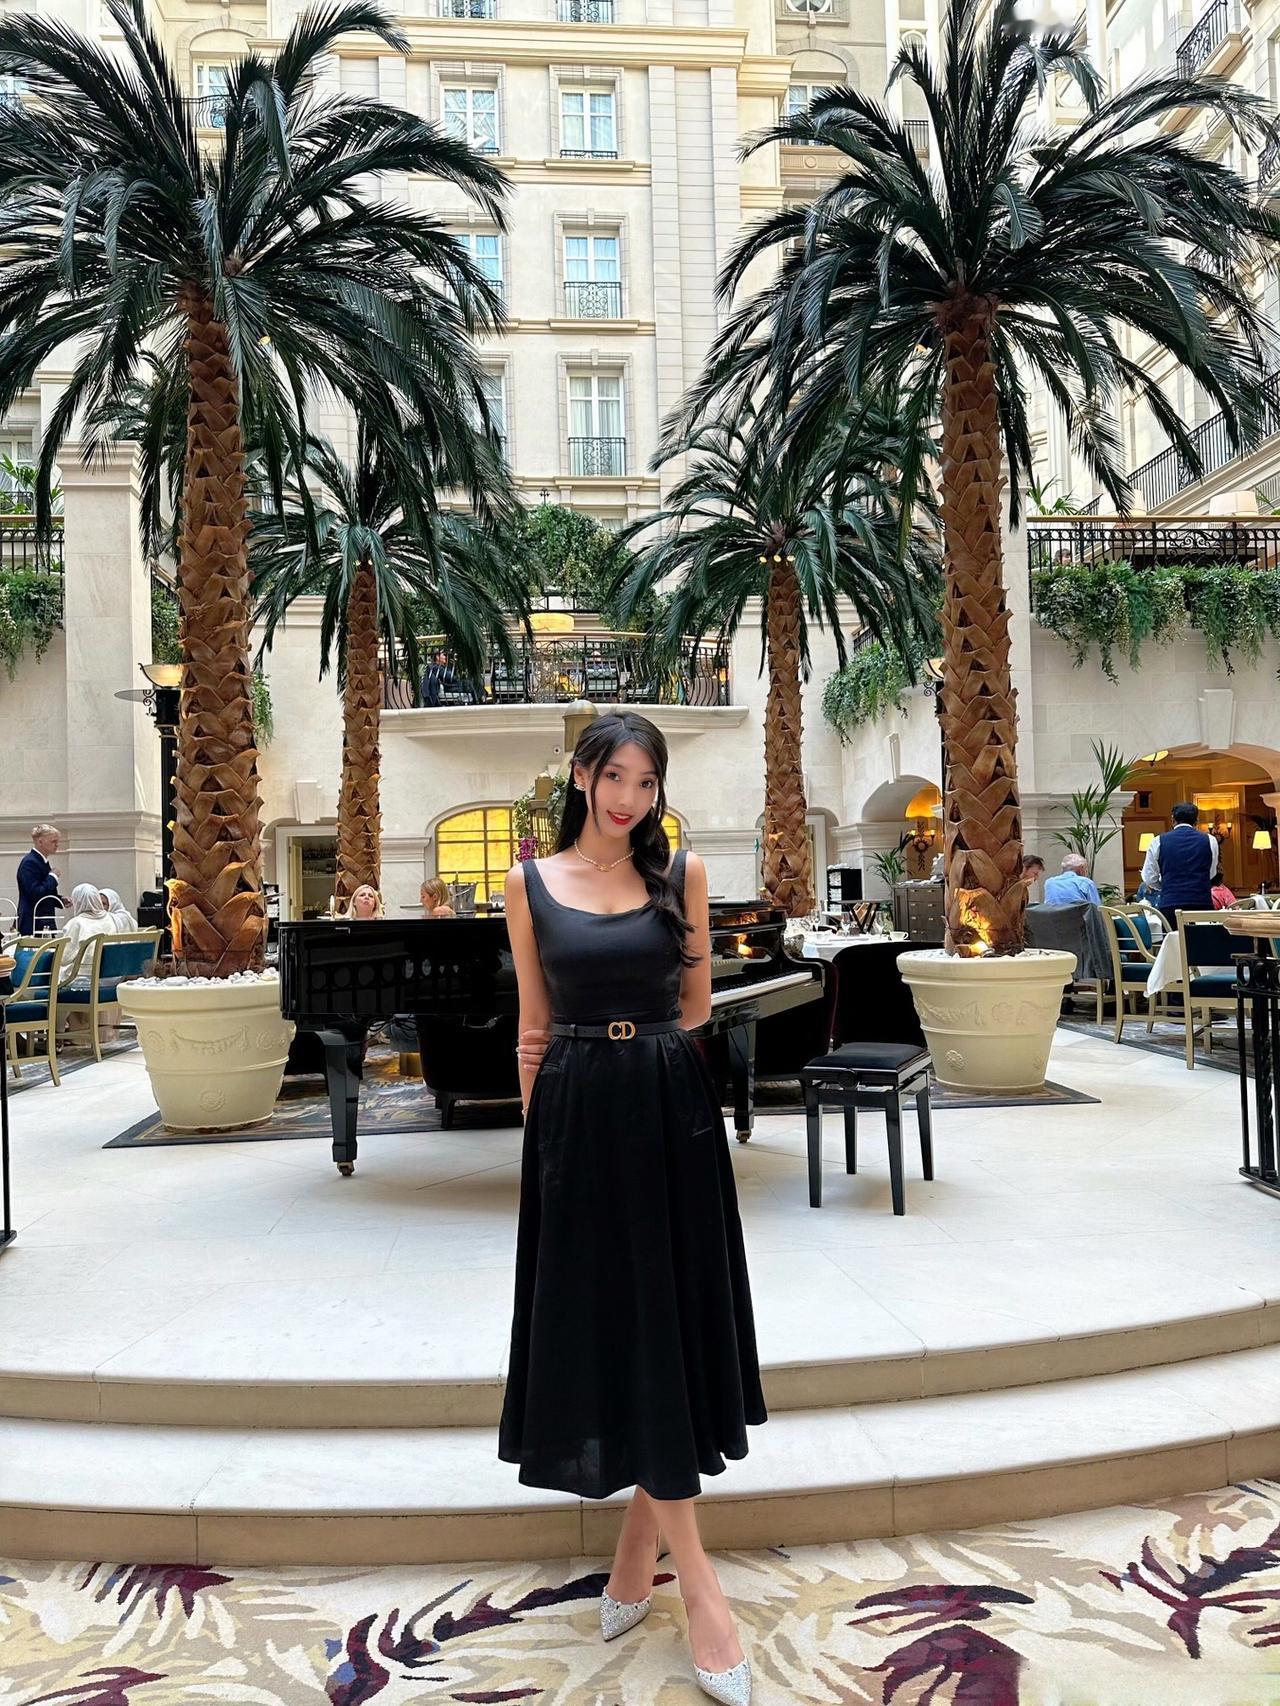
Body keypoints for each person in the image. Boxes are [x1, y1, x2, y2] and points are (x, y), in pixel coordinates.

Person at [501, 710, 764, 1705]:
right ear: (580, 776)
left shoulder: (680, 875)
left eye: (645, 782)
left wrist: (638, 1048)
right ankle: (675, 1574)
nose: (628, 798)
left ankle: (674, 1576)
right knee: (619, 1324)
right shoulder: (529, 884)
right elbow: (531, 1028)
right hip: (575, 1113)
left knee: (666, 1324)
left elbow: (694, 1008)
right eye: (613, 776)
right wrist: (542, 1141)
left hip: (666, 1109)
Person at [1141, 802, 1218, 926]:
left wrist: (1166, 886)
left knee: (1172, 938)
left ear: (1173, 820)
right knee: (1202, 938)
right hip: (1201, 903)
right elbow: (1211, 873)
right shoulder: (1210, 840)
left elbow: (1149, 878)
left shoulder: (1157, 841)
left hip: (1170, 904)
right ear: (1196, 821)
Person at [58, 884, 117, 980]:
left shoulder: (76, 923)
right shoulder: (112, 919)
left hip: (84, 978)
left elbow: (64, 959)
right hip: (112, 977)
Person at [17, 824, 65, 935]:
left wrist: (60, 899)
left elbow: (44, 893)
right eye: (53, 841)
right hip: (33, 922)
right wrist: (52, 877)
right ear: (40, 841)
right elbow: (35, 893)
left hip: (42, 920)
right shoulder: (30, 862)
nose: (57, 845)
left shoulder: (40, 861)